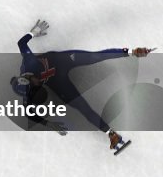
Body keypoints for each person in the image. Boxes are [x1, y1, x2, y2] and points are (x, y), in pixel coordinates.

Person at [11, 19, 152, 150]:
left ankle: (133, 52)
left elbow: (21, 44)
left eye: (34, 83)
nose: (37, 85)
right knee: (82, 107)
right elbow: (29, 113)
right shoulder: (28, 91)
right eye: (34, 88)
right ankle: (112, 134)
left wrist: (33, 33)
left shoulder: (30, 62)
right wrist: (49, 124)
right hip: (57, 81)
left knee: (95, 57)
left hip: (61, 61)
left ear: (26, 78)